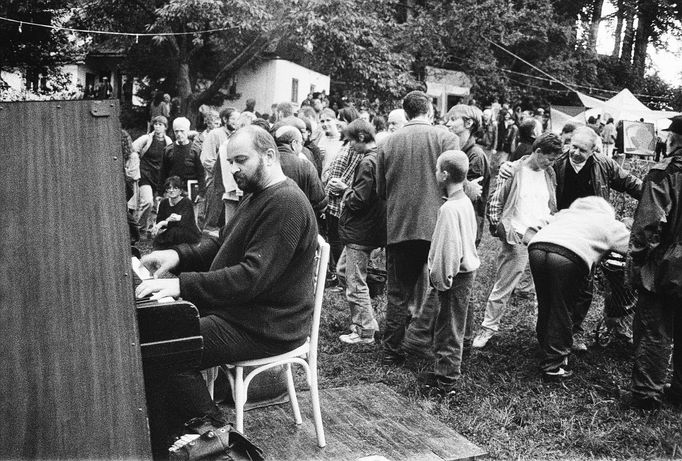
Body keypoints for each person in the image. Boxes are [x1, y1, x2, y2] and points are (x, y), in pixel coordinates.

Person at [136, 125, 318, 456]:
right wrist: (177, 255)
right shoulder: (259, 196)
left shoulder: (287, 203)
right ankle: (176, 440)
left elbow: (251, 277)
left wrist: (180, 284)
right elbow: (222, 244)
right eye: (230, 162)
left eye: (241, 160)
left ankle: (217, 444)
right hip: (244, 313)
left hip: (268, 326)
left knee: (168, 349)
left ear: (269, 155)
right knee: (159, 340)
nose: (233, 169)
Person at [376, 90, 461, 366]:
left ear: (406, 112)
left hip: (400, 225)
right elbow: (457, 184)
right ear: (430, 111)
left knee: (398, 292)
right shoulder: (446, 138)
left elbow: (381, 190)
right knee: (443, 286)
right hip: (438, 225)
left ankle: (392, 349)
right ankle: (429, 341)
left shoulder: (388, 142)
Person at [472, 133, 563, 349]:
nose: (551, 163)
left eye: (554, 160)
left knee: (545, 286)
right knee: (504, 285)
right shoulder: (513, 170)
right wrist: (503, 231)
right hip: (518, 236)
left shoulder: (549, 173)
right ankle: (488, 327)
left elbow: (550, 203)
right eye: (548, 158)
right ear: (537, 152)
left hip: (543, 238)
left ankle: (543, 330)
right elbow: (495, 203)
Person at [528, 196, 629, 381]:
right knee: (562, 307)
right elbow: (632, 246)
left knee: (546, 302)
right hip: (569, 255)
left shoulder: (565, 214)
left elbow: (533, 227)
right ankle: (554, 365)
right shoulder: (608, 222)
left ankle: (546, 345)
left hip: (537, 246)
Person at [629, 115, 682, 410]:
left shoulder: (664, 173)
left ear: (674, 140)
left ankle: (646, 394)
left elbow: (649, 224)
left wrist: (637, 261)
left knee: (655, 328)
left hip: (665, 264)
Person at [420, 150, 479, 394]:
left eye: (436, 169)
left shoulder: (448, 210)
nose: (435, 173)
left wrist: (440, 280)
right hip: (466, 273)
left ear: (444, 174)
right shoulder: (464, 201)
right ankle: (453, 366)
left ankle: (446, 380)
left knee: (448, 328)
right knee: (458, 322)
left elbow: (448, 251)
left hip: (454, 277)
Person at [335, 119, 386, 345]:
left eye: (351, 141)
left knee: (355, 282)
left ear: (362, 138)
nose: (349, 146)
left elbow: (358, 201)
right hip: (369, 227)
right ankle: (367, 321)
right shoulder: (380, 156)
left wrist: (344, 191)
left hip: (360, 231)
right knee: (343, 270)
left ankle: (364, 331)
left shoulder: (367, 163)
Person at [445, 104, 491, 246]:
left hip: (466, 226)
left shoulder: (475, 155)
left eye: (453, 119)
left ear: (468, 123)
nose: (448, 123)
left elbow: (468, 195)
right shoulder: (457, 150)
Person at [200, 107, 241, 233]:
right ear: (224, 119)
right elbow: (206, 159)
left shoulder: (237, 135)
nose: (236, 122)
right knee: (212, 218)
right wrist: (222, 171)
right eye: (233, 119)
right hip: (216, 181)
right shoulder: (215, 134)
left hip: (231, 182)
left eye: (238, 119)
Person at [132, 115, 173, 236]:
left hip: (160, 176)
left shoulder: (168, 141)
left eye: (160, 124)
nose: (157, 127)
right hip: (145, 174)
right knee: (147, 201)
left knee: (157, 205)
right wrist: (135, 164)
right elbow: (133, 149)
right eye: (156, 124)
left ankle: (150, 229)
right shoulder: (146, 139)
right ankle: (139, 228)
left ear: (165, 127)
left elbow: (171, 158)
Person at [273, 125, 327, 216]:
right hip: (298, 221)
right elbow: (321, 204)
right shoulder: (305, 166)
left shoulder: (265, 163)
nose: (302, 148)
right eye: (301, 143)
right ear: (294, 144)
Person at [160, 117, 205, 206]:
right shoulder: (168, 150)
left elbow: (201, 173)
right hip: (173, 191)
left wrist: (201, 193)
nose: (179, 134)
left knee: (190, 218)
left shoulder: (196, 150)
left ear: (188, 131)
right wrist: (160, 193)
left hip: (190, 191)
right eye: (176, 131)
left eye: (182, 131)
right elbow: (163, 172)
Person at [152, 176, 201, 250]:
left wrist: (164, 222)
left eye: (175, 188)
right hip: (171, 232)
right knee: (158, 240)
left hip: (187, 232)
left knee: (174, 232)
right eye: (169, 188)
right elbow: (159, 222)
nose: (171, 190)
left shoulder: (186, 202)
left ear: (180, 191)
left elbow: (185, 222)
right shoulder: (164, 203)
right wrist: (165, 222)